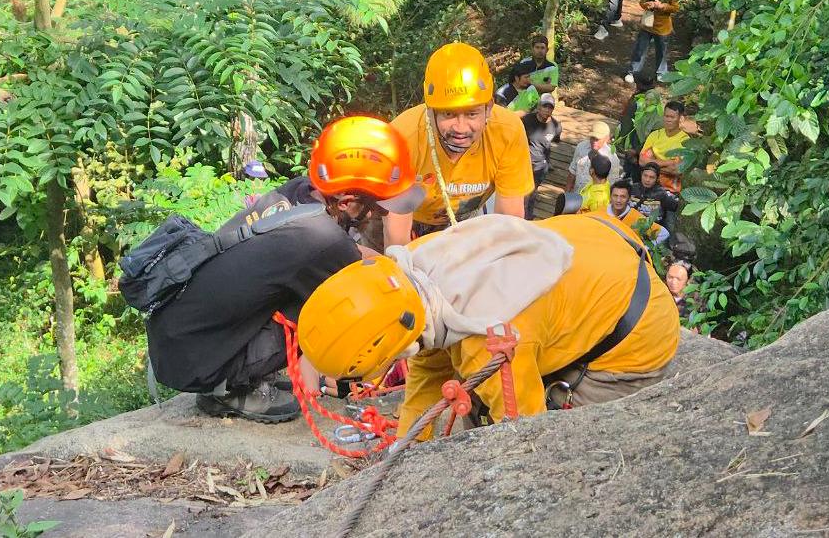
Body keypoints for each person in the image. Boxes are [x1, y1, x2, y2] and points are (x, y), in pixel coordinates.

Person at [146, 116, 423, 423]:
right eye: (377, 205)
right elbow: (368, 281)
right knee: (341, 309)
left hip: (179, 335)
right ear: (346, 202)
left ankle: (241, 374)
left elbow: (357, 255)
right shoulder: (323, 241)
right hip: (193, 359)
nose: (378, 213)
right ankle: (225, 389)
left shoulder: (299, 198)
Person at [298, 212, 681, 434]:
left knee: (483, 415)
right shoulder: (414, 269)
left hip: (638, 331)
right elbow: (430, 371)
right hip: (601, 246)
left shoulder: (490, 341)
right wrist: (408, 444)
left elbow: (523, 436)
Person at [384, 42, 534, 246]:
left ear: (489, 108)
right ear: (430, 111)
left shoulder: (507, 131)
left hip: (465, 219)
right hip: (409, 218)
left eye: (472, 113)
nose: (461, 128)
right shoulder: (403, 137)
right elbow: (397, 232)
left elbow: (509, 219)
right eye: (448, 114)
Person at [625, 0, 679, 84]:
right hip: (647, 25)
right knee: (640, 49)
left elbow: (675, 8)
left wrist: (663, 6)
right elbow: (642, 2)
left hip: (662, 27)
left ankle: (661, 73)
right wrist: (647, 5)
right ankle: (633, 72)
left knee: (662, 52)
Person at [522, 93, 562, 219]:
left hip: (541, 165)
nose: (547, 110)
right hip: (524, 162)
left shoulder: (556, 126)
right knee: (523, 191)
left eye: (550, 108)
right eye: (545, 106)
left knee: (531, 192)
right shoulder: (527, 120)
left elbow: (555, 140)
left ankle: (527, 217)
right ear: (538, 107)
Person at [639, 100, 688, 193]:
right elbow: (642, 161)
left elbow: (677, 169)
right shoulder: (655, 135)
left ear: (681, 119)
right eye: (666, 116)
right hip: (647, 187)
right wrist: (668, 162)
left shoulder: (685, 140)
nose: (668, 120)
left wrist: (652, 164)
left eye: (672, 117)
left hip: (670, 190)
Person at [618, 78, 660, 183]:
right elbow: (627, 124)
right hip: (637, 148)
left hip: (643, 151)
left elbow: (626, 124)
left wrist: (634, 150)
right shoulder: (644, 108)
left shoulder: (637, 104)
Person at [564, 121, 621, 194]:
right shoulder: (581, 147)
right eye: (592, 138)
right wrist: (566, 193)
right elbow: (572, 171)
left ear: (607, 139)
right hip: (577, 194)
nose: (594, 142)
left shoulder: (612, 158)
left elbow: (613, 184)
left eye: (598, 139)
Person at [608, 179, 669, 246]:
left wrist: (644, 249)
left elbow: (664, 234)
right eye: (615, 196)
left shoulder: (636, 218)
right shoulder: (601, 213)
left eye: (623, 197)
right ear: (610, 197)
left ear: (629, 199)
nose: (618, 200)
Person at [630, 162, 680, 230]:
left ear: (657, 179)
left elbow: (675, 207)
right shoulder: (632, 188)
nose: (647, 180)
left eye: (652, 177)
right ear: (641, 175)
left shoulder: (661, 194)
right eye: (645, 175)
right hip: (631, 226)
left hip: (654, 229)